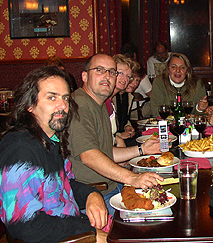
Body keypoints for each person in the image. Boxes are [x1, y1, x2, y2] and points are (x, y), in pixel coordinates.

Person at [0, 66, 108, 242]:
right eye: (52, 97)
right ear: (30, 105)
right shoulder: (19, 151)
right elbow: (25, 225)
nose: (62, 106)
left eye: (65, 98)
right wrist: (87, 232)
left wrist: (92, 194)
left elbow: (64, 186)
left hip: (73, 226)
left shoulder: (51, 139)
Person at [68, 54, 163, 217]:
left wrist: (142, 149)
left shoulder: (100, 104)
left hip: (112, 186)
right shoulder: (80, 106)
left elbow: (106, 152)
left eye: (112, 72)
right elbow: (89, 156)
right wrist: (132, 178)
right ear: (84, 76)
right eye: (100, 70)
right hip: (94, 194)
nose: (107, 76)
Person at [150, 52, 208, 117]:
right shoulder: (159, 82)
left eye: (182, 67)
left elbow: (202, 114)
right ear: (168, 69)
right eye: (173, 67)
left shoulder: (197, 83)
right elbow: (156, 111)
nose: (178, 70)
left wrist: (199, 108)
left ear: (187, 71)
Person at [105, 54, 137, 147]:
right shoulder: (102, 99)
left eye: (128, 76)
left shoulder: (122, 96)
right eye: (121, 73)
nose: (125, 79)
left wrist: (127, 126)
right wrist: (119, 137)